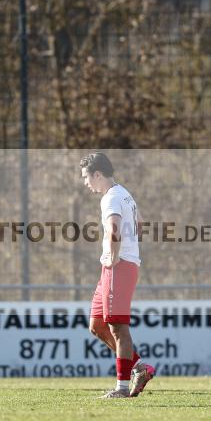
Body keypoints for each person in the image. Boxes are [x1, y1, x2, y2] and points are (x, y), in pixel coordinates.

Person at [80, 152, 155, 398]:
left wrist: (115, 256)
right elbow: (141, 224)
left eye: (86, 177)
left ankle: (122, 387)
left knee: (117, 327)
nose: (86, 183)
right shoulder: (124, 193)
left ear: (97, 174)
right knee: (97, 325)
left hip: (118, 265)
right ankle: (139, 368)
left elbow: (113, 228)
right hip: (118, 266)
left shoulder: (111, 197)